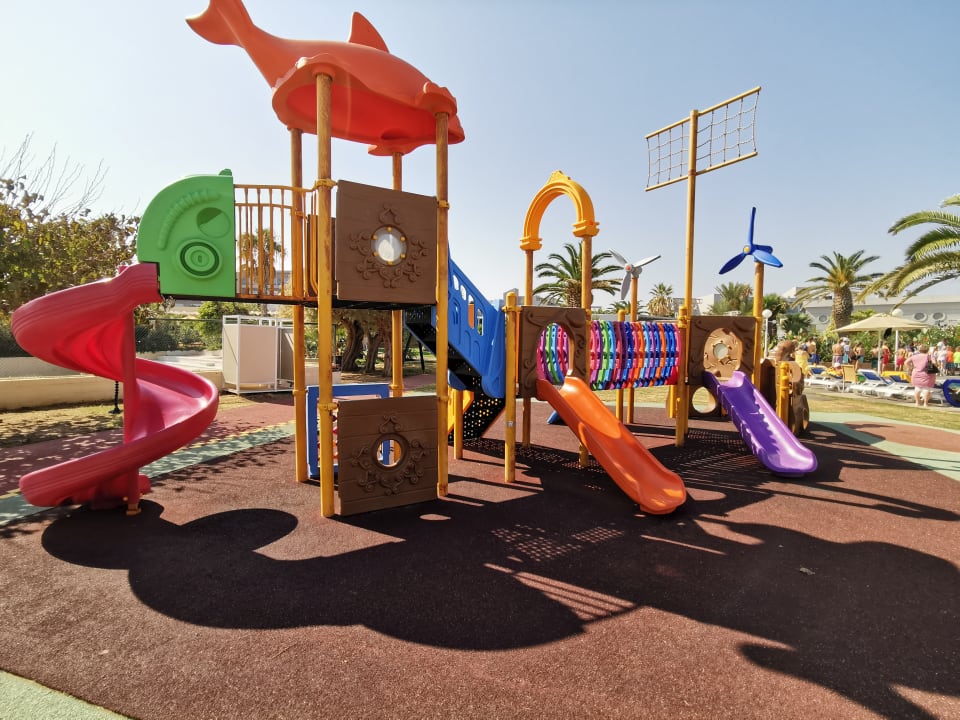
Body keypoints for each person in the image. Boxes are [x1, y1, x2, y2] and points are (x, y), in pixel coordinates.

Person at [906, 343, 937, 408]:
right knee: (926, 389)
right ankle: (925, 403)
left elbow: (906, 362)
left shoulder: (914, 356)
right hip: (927, 374)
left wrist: (911, 367)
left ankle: (917, 402)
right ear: (927, 350)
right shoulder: (929, 356)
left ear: (919, 350)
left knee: (917, 388)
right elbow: (934, 363)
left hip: (916, 373)